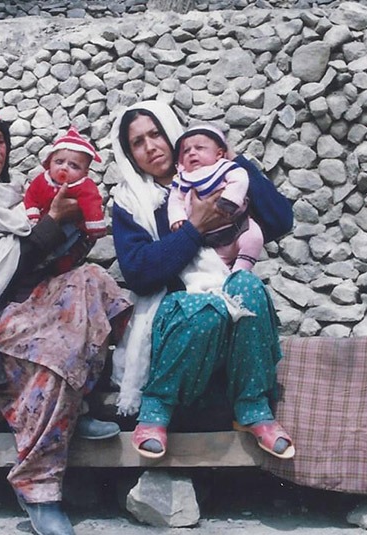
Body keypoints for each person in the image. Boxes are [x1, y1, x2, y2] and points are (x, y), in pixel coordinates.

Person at [0, 97, 132, 535]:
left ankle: (74, 403)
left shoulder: (9, 196)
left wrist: (72, 229)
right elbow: (6, 267)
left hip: (22, 303)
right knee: (51, 353)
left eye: (0, 141)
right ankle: (38, 488)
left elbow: (40, 262)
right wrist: (51, 223)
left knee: (93, 282)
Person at [109, 100, 295, 461]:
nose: (150, 147)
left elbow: (279, 220)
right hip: (176, 325)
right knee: (205, 308)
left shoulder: (222, 178)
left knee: (249, 289)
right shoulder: (131, 201)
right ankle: (156, 408)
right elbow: (139, 273)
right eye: (137, 142)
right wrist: (195, 229)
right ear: (130, 155)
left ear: (173, 136)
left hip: (232, 323)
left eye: (156, 134)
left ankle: (254, 410)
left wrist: (234, 163)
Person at [169, 124, 264, 272]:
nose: (192, 153)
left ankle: (240, 272)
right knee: (208, 263)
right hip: (209, 239)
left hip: (238, 226)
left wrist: (229, 200)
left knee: (254, 237)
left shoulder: (224, 167)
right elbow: (175, 199)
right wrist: (177, 217)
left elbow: (240, 179)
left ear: (219, 154)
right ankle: (223, 277)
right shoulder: (183, 179)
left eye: (199, 148)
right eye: (186, 151)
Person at [24, 126, 107, 274]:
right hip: (44, 224)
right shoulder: (42, 180)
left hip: (73, 227)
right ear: (49, 162)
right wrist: (33, 213)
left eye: (74, 166)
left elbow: (92, 204)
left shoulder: (85, 186)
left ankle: (61, 261)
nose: (64, 168)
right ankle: (40, 261)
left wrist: (95, 226)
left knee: (71, 240)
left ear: (84, 173)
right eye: (59, 161)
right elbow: (31, 195)